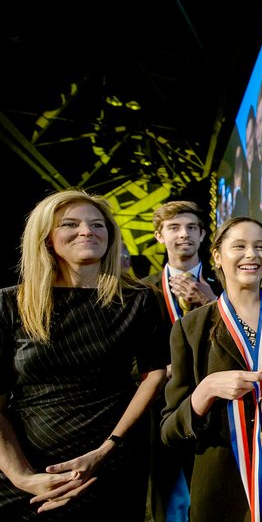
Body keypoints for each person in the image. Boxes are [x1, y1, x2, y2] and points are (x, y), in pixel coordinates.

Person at [0, 189, 170, 520]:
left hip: (110, 465)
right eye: (70, 224)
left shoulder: (139, 300)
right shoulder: (10, 303)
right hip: (25, 472)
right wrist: (23, 477)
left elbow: (155, 374)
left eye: (97, 224)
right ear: (47, 238)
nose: (86, 231)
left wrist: (108, 449)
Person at [161, 217, 262, 522]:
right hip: (223, 485)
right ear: (218, 257)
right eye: (240, 246)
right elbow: (169, 431)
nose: (251, 254)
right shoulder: (190, 328)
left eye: (260, 247)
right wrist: (205, 390)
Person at [143, 200, 222, 522]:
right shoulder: (140, 291)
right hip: (160, 405)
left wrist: (211, 302)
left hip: (216, 407)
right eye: (174, 228)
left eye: (191, 228)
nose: (183, 235)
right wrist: (159, 370)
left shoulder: (225, 285)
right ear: (160, 236)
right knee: (168, 502)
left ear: (203, 235)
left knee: (215, 497)